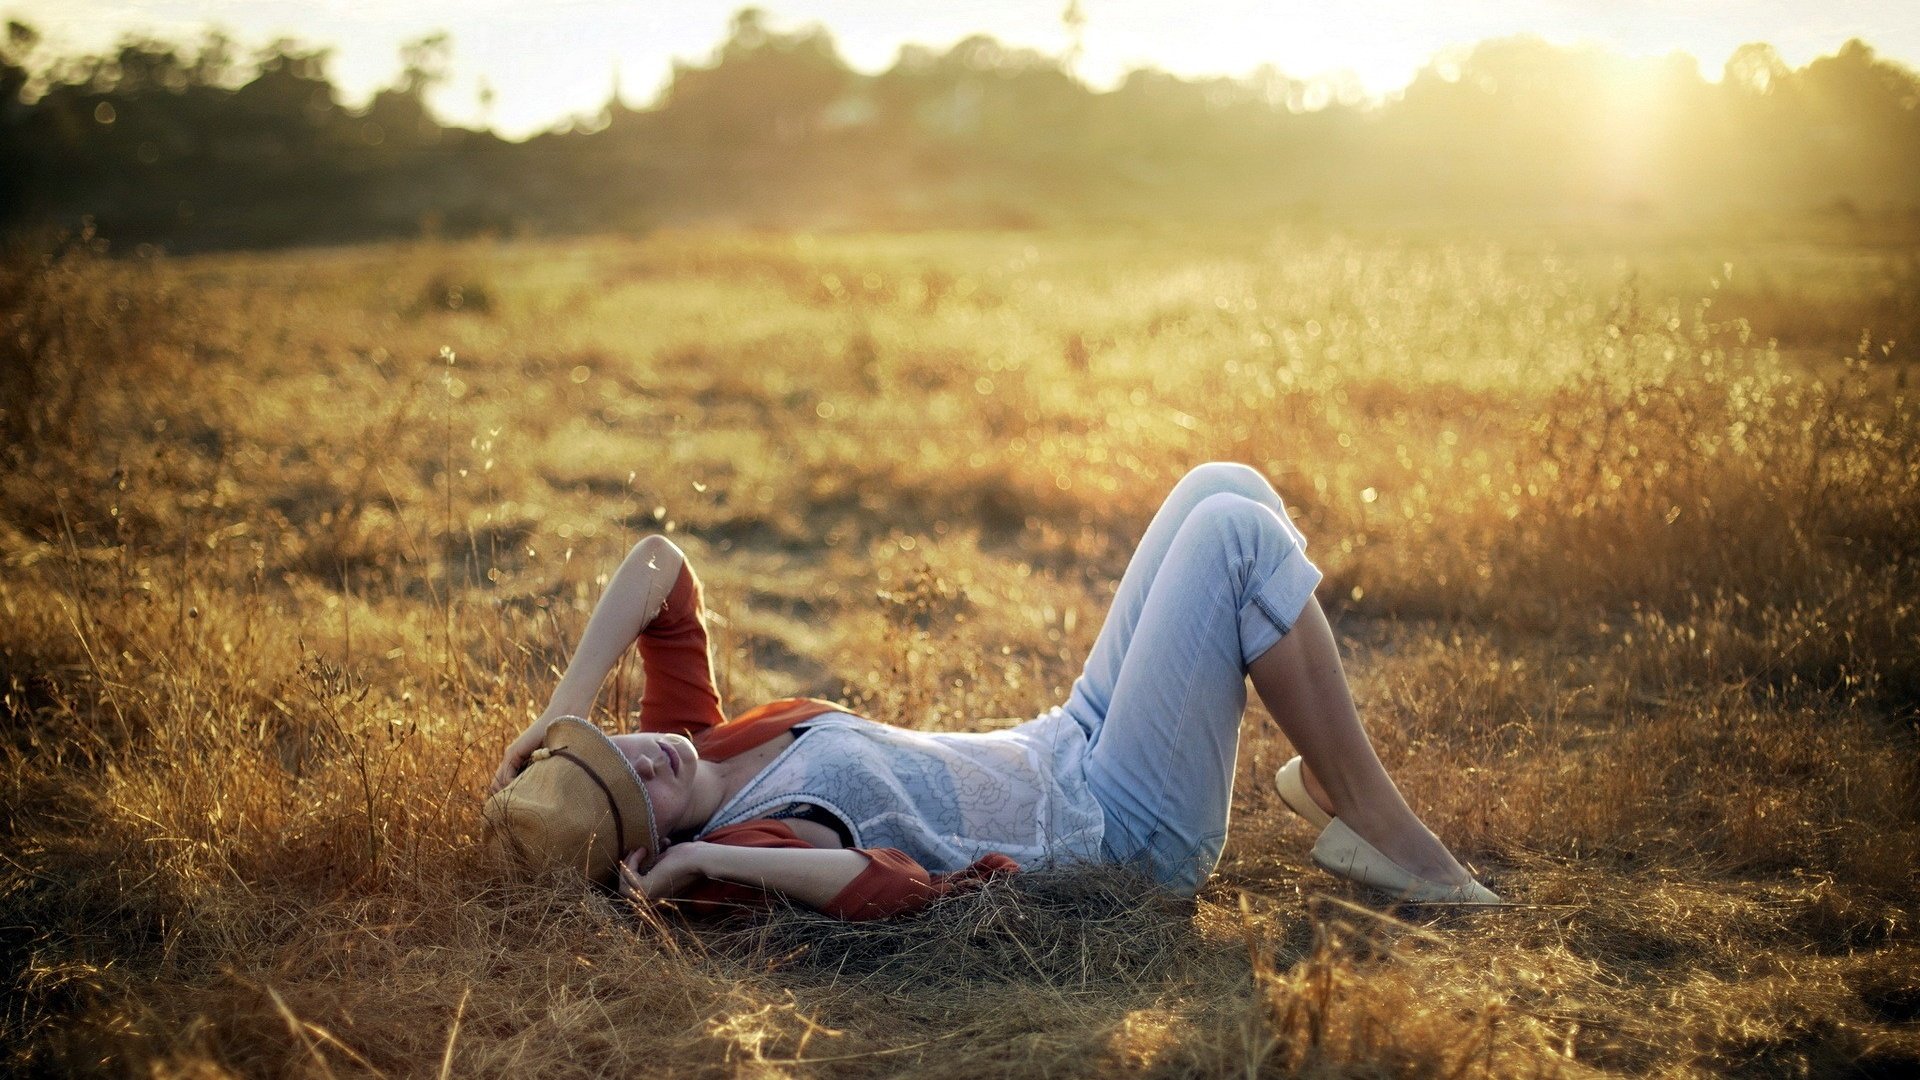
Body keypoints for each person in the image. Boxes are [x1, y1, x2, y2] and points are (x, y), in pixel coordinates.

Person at [483, 463, 1501, 919]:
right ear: (642, 849)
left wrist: (562, 712)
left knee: (1219, 486)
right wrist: (696, 857)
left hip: (1066, 741)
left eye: (614, 743)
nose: (647, 757)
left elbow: (659, 563)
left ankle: (1332, 779)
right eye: (635, 790)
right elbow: (887, 887)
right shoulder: (747, 845)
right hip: (1122, 832)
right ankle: (1380, 826)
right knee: (1235, 542)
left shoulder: (691, 741)